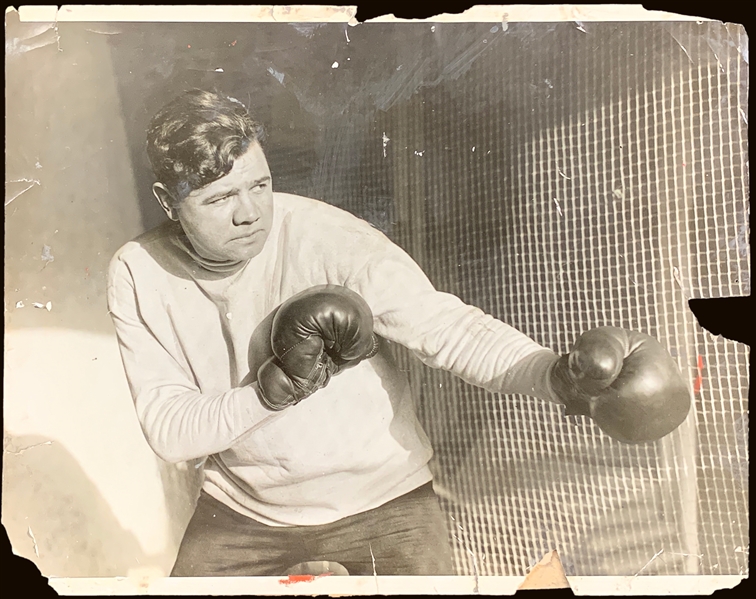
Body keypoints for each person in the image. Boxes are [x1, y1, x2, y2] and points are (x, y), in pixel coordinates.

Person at [107, 89, 690, 577]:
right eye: (219, 198)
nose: (249, 214)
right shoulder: (137, 273)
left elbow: (448, 328)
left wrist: (557, 378)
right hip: (244, 512)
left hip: (384, 499)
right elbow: (169, 428)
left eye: (259, 185)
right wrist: (271, 391)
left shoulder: (329, 239)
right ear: (168, 202)